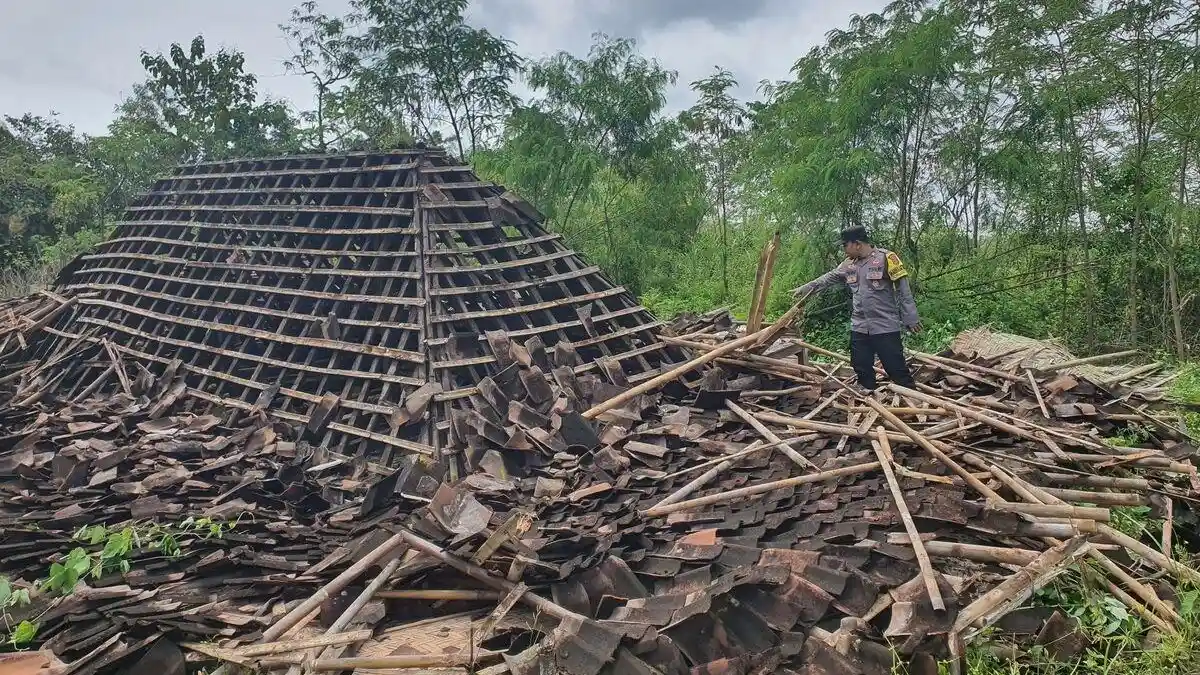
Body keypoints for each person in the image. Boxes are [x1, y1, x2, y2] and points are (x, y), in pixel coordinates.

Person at [792, 226, 921, 392]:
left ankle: (910, 396)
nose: (844, 250)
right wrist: (805, 289)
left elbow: (904, 289)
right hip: (859, 325)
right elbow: (828, 278)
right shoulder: (848, 265)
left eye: (845, 245)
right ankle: (869, 397)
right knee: (860, 365)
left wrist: (910, 317)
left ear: (857, 244)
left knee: (895, 366)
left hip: (885, 325)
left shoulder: (887, 258)